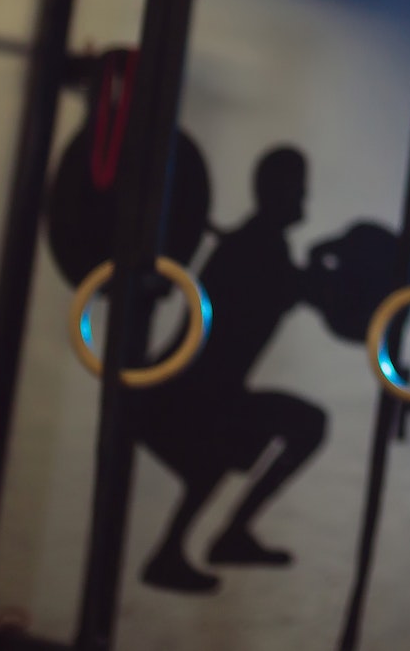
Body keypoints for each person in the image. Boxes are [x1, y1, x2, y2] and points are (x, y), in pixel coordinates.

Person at [136, 146, 327, 592]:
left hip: (210, 393)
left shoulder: (263, 247)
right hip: (183, 394)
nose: (304, 199)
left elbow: (302, 289)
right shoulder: (255, 248)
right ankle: (190, 548)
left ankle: (222, 537)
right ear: (278, 191)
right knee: (214, 457)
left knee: (295, 428)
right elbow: (298, 288)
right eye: (298, 189)